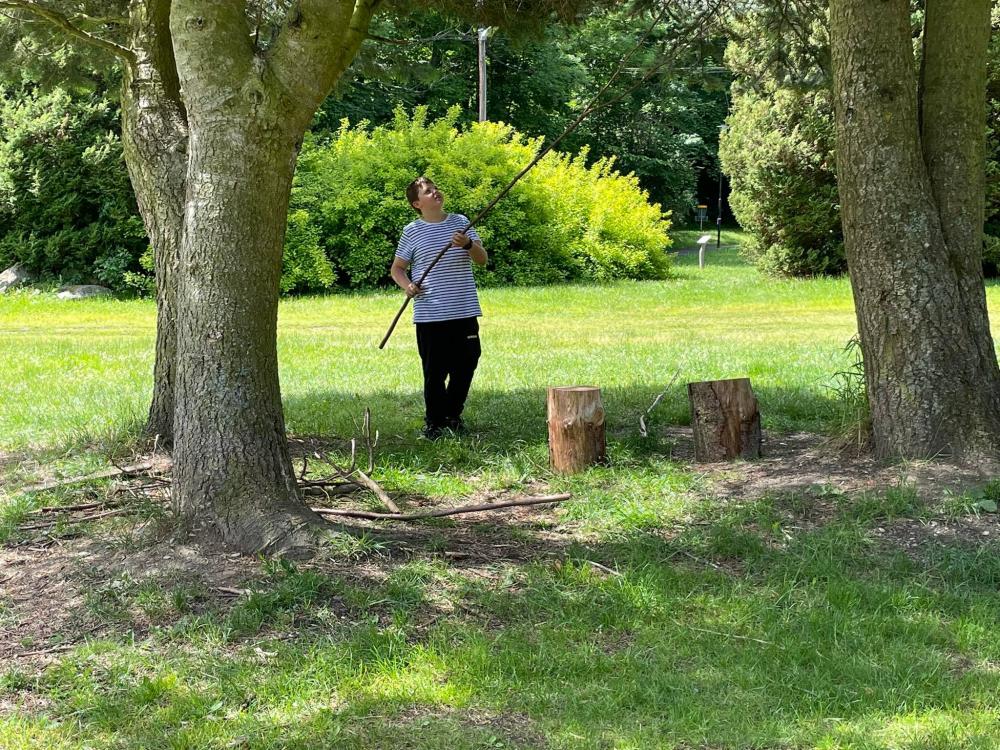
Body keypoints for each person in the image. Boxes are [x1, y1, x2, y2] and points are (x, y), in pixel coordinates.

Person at [390, 177, 489, 439]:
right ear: (417, 203)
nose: (435, 192)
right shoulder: (412, 231)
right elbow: (397, 269)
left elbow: (482, 259)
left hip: (463, 310)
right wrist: (408, 286)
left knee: (466, 365)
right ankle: (434, 422)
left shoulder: (460, 222)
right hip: (430, 314)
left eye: (435, 188)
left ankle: (453, 416)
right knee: (434, 371)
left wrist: (468, 245)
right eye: (427, 191)